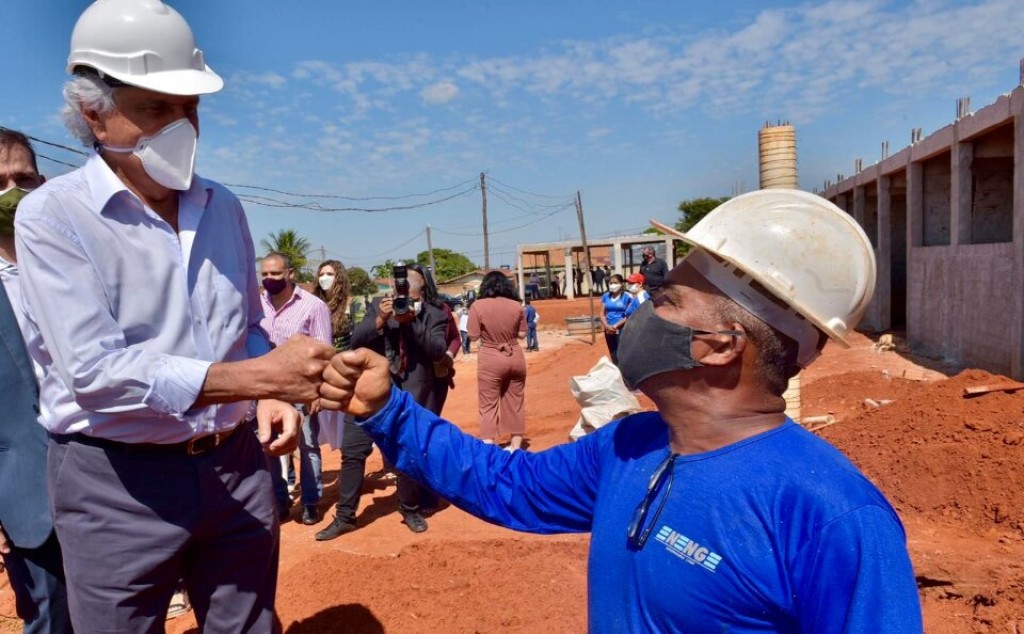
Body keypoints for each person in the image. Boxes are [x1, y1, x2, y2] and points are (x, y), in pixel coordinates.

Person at [320, 189, 922, 632]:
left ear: (717, 348)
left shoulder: (834, 518)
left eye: (664, 300)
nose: (639, 316)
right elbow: (507, 485)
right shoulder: (629, 445)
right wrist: (389, 410)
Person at [14, 2, 335, 630]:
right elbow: (96, 371)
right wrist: (261, 381)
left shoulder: (224, 208)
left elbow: (243, 329)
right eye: (156, 109)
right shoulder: (53, 217)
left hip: (235, 465)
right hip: (115, 483)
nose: (180, 126)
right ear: (92, 114)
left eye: (189, 108)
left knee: (246, 624)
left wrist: (265, 399)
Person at [0, 130, 72, 633]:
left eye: (23, 179)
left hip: (112, 482)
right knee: (52, 620)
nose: (11, 191)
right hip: (25, 493)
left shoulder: (77, 268)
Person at [319, 263, 448, 538]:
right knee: (353, 452)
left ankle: (409, 509)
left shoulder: (435, 314)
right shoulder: (379, 305)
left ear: (422, 290)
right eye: (399, 289)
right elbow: (357, 340)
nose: (401, 295)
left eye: (409, 292)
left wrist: (411, 321)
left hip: (411, 396)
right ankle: (345, 516)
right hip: (367, 394)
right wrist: (379, 319)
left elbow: (438, 351)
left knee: (407, 454)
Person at [260, 252, 333, 525]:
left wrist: (318, 391)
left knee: (308, 445)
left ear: (290, 273)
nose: (270, 280)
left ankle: (311, 502)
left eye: (276, 274)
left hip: (301, 388)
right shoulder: (256, 305)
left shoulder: (314, 307)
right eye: (265, 274)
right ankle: (279, 502)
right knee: (267, 445)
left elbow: (324, 351)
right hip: (265, 389)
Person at [468, 271, 527, 451]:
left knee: (488, 404)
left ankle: (488, 447)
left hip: (491, 356)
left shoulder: (477, 306)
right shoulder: (517, 306)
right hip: (515, 355)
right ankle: (515, 447)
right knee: (516, 402)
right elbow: (522, 335)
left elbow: (473, 336)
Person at [600, 274, 634, 365]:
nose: (612, 285)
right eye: (611, 283)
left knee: (622, 352)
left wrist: (615, 326)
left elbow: (628, 315)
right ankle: (617, 371)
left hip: (622, 328)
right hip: (608, 329)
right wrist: (606, 325)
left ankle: (625, 373)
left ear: (621, 284)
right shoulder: (606, 296)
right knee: (613, 352)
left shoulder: (627, 296)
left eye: (615, 283)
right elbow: (602, 314)